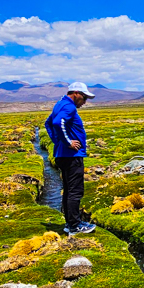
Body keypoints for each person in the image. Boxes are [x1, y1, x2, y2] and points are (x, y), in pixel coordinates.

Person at [45, 82, 97, 234]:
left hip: (62, 155)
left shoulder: (59, 104)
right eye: (84, 97)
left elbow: (48, 123)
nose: (85, 101)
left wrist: (58, 141)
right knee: (75, 190)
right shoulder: (69, 106)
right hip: (71, 156)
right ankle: (75, 226)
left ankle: (70, 223)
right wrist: (67, 142)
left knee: (68, 190)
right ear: (75, 93)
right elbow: (56, 123)